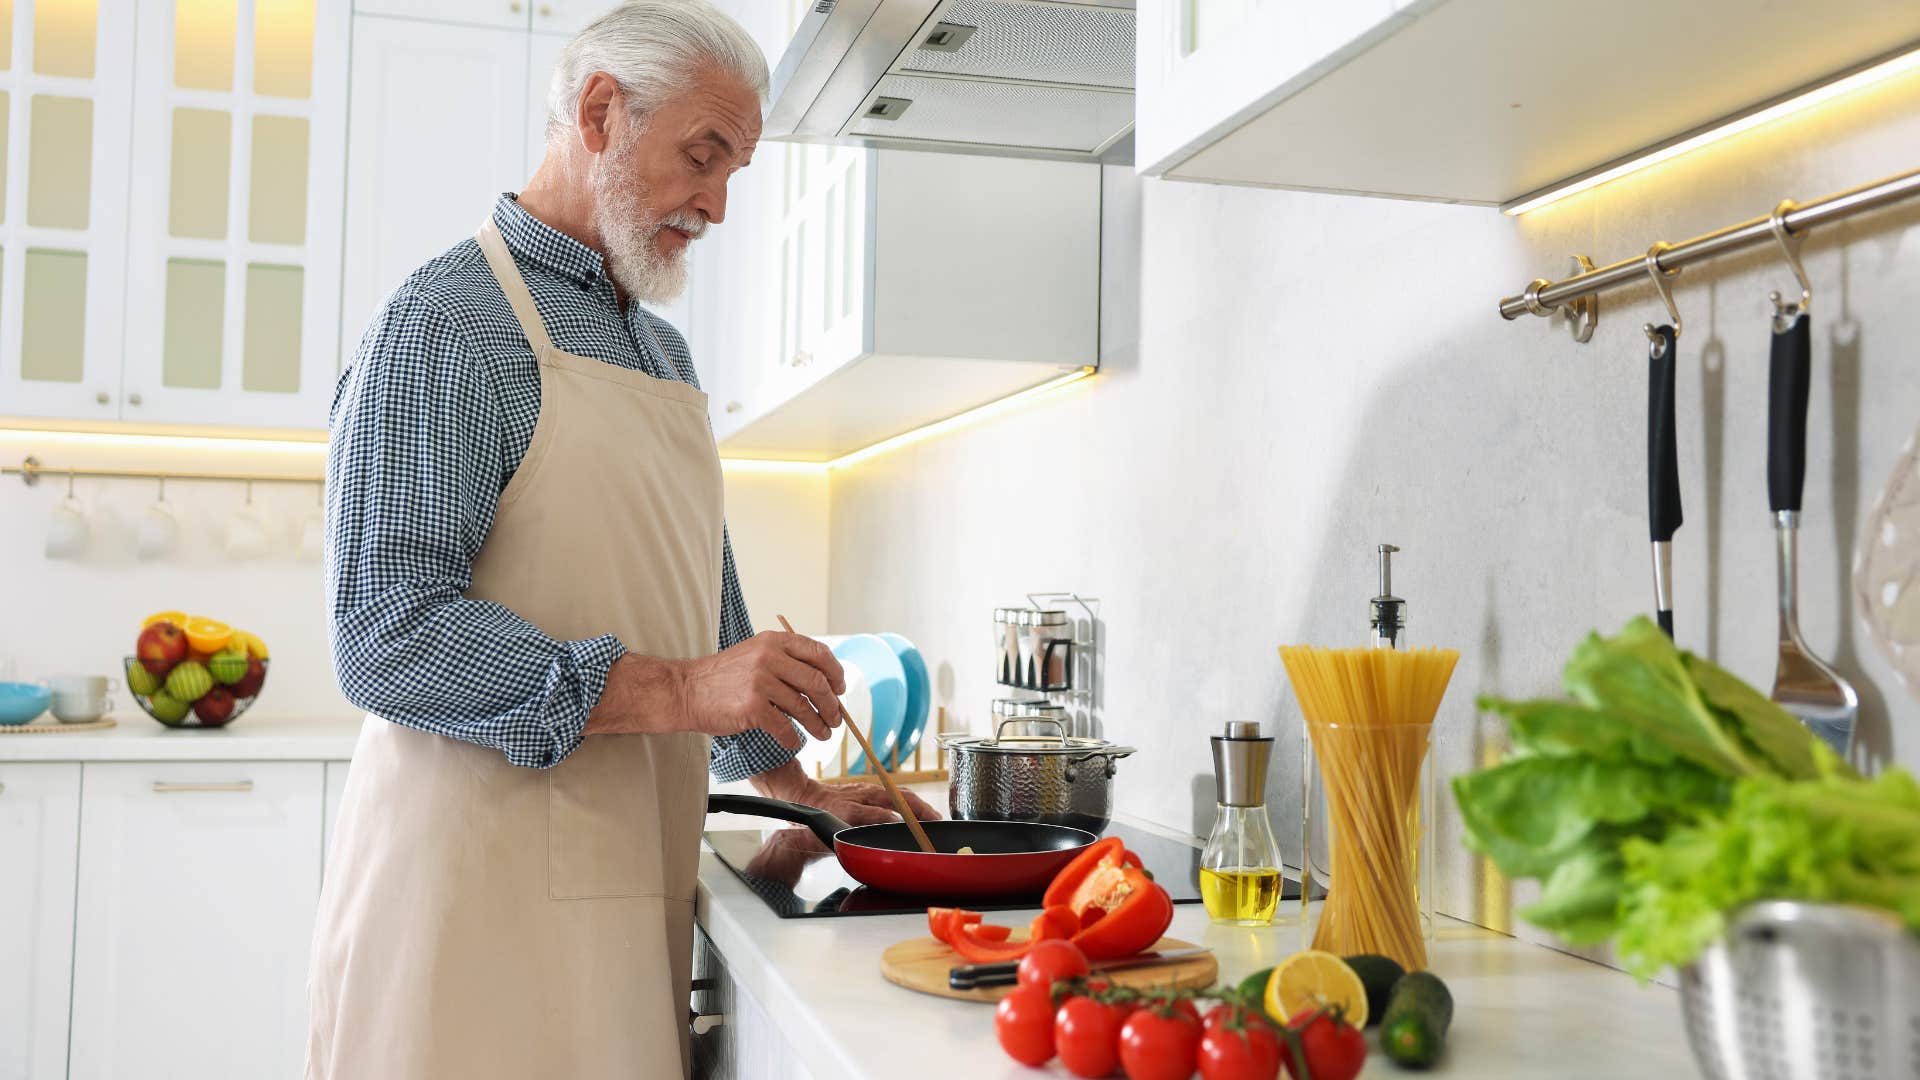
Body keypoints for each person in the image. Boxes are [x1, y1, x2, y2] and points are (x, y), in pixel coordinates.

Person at [306, 4, 937, 1076]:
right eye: (703, 156)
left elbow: (699, 599)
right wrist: (692, 693)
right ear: (600, 111)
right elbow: (386, 635)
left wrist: (796, 785)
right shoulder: (446, 324)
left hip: (621, 883)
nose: (720, 204)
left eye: (736, 169)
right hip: (466, 907)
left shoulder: (664, 354)